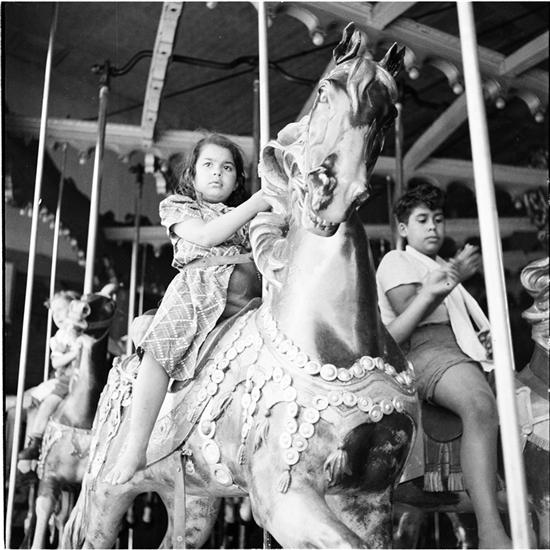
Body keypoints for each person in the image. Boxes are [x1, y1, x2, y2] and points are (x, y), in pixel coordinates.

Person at [105, 133, 270, 485]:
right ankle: (136, 446)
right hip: (198, 294)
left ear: (237, 179)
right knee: (160, 351)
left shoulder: (250, 216)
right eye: (208, 165)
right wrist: (258, 202)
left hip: (249, 299)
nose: (217, 173)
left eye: (227, 168)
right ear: (192, 175)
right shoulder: (179, 206)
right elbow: (207, 236)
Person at [376, 183, 512, 549]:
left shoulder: (438, 267)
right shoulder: (397, 261)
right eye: (422, 220)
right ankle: (490, 531)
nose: (433, 227)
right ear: (403, 228)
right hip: (425, 348)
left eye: (438, 219)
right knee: (479, 405)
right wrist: (450, 280)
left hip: (460, 349)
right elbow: (409, 312)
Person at [18, 290, 84, 461]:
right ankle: (35, 441)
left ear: (74, 308)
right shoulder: (60, 337)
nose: (56, 315)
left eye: (61, 309)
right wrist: (74, 354)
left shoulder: (85, 332)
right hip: (67, 380)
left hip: (86, 379)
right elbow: (56, 362)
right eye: (54, 312)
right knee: (48, 403)